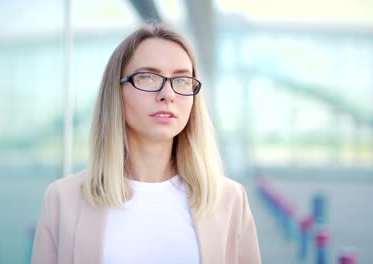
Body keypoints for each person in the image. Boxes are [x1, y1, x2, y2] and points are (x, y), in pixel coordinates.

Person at [31, 23, 261, 264]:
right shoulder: (62, 200)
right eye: (148, 77)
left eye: (182, 80)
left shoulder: (230, 200)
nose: (168, 94)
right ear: (116, 92)